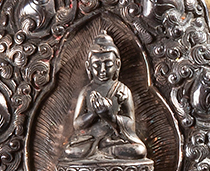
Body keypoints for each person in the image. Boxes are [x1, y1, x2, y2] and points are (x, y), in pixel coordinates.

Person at [64, 32, 150, 164]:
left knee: (139, 151)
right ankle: (101, 150)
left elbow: (131, 124)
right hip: (90, 141)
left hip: (115, 140)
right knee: (70, 152)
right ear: (88, 67)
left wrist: (111, 117)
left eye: (108, 64)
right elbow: (77, 124)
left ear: (117, 64)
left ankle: (103, 151)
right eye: (97, 65)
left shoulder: (122, 90)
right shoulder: (86, 91)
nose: (103, 70)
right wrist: (94, 114)